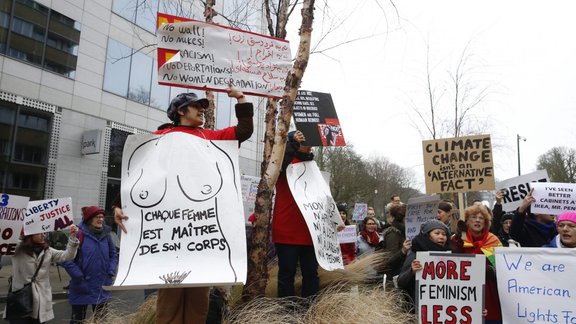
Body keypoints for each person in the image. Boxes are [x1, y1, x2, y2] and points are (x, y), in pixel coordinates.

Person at [112, 89, 253, 323]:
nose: (202, 110)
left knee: (199, 305)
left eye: (203, 106)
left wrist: (241, 99)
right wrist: (118, 205)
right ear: (180, 111)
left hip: (200, 235)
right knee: (169, 304)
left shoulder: (210, 137)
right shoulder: (160, 136)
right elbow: (140, 173)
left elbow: (244, 131)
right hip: (169, 237)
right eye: (197, 106)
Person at [271, 130, 321, 298]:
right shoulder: (284, 163)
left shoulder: (313, 167)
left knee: (311, 274)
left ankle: (310, 310)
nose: (310, 145)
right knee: (287, 275)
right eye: (305, 141)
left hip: (309, 231)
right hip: (287, 231)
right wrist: (291, 141)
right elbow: (280, 165)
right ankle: (287, 313)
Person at [6, 225, 79, 323]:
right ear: (29, 234)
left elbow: (68, 256)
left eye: (43, 232)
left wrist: (73, 238)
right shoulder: (17, 248)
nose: (43, 235)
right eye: (39, 232)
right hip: (21, 298)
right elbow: (4, 246)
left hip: (40, 299)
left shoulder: (47, 251)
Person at [61, 206, 118, 323]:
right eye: (97, 217)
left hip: (102, 284)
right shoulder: (78, 233)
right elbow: (66, 259)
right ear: (89, 219)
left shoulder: (106, 235)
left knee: (101, 320)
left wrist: (111, 271)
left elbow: (113, 254)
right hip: (82, 285)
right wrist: (79, 277)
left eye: (102, 217)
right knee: (78, 320)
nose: (101, 219)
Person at [452, 205, 502, 323]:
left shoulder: (493, 240)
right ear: (467, 221)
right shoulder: (457, 239)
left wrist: (488, 270)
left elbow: (501, 267)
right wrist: (456, 244)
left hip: (489, 291)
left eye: (481, 218)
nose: (478, 220)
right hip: (464, 291)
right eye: (473, 217)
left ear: (486, 222)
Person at [397, 219, 451, 311]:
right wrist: (412, 272)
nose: (441, 237)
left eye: (444, 234)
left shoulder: (449, 255)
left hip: (441, 309)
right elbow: (400, 282)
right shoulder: (416, 255)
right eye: (437, 233)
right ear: (427, 236)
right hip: (418, 309)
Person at [379, 204, 410, 286]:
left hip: (404, 274)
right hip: (395, 278)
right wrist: (403, 251)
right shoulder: (393, 233)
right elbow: (390, 261)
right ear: (403, 218)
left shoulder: (406, 232)